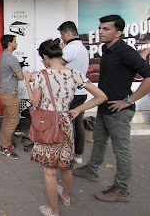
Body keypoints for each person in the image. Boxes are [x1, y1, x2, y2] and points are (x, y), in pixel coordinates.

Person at [73, 15, 150, 203]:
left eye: (106, 29)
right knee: (99, 141)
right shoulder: (107, 49)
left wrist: (128, 100)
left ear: (118, 33)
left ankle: (121, 190)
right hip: (104, 106)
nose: (101, 32)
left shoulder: (125, 51)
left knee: (121, 150)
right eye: (100, 28)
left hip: (119, 111)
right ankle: (91, 170)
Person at [25, 39, 107, 216]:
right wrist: (77, 109)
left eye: (43, 59)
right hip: (66, 123)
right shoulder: (74, 74)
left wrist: (27, 83)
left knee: (49, 172)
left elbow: (34, 102)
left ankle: (54, 212)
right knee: (66, 165)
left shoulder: (41, 75)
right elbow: (101, 96)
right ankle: (67, 197)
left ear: (46, 57)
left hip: (47, 125)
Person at [57, 21, 89, 164]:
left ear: (68, 33)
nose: (62, 38)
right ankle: (78, 154)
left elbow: (55, 64)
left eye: (62, 34)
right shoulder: (81, 48)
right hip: (81, 91)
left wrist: (57, 51)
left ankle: (67, 153)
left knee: (67, 124)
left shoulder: (70, 48)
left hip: (71, 93)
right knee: (78, 123)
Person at [0, 34, 24, 160]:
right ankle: (5, 146)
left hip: (3, 91)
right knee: (13, 120)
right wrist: (16, 73)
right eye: (15, 41)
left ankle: (5, 143)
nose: (16, 44)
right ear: (9, 43)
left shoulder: (3, 56)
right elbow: (21, 76)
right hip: (9, 93)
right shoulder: (11, 59)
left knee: (7, 119)